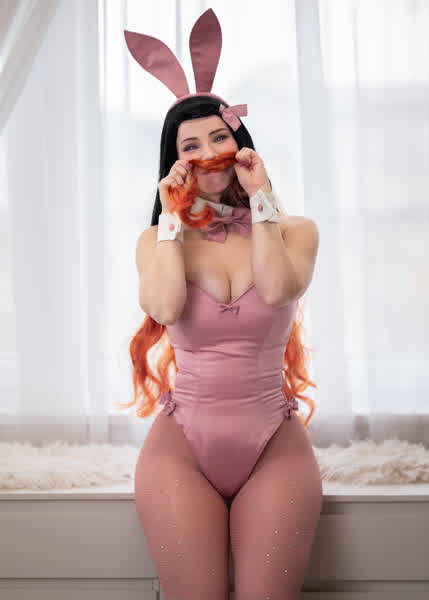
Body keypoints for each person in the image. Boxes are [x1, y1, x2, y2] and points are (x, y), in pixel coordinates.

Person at [120, 9, 323, 600]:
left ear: (240, 144)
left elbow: (278, 289)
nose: (208, 151)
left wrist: (260, 199)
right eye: (191, 144)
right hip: (180, 448)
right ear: (175, 161)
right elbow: (163, 306)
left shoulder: (296, 231)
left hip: (274, 444)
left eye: (218, 137)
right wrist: (170, 218)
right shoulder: (156, 241)